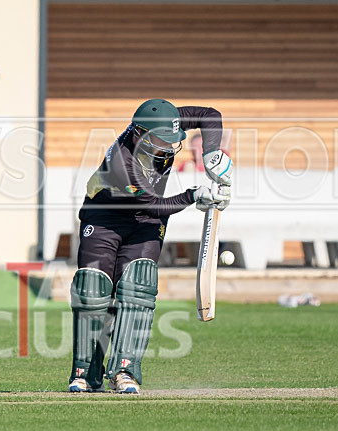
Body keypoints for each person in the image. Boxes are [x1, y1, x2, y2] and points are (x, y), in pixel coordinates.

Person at [68, 99, 232, 394]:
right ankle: (85, 373)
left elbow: (210, 116)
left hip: (144, 223)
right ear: (140, 134)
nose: (170, 148)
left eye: (173, 140)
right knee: (92, 291)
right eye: (162, 142)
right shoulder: (122, 161)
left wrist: (211, 156)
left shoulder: (164, 121)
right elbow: (151, 204)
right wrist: (194, 195)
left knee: (138, 287)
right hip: (106, 217)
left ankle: (124, 371)